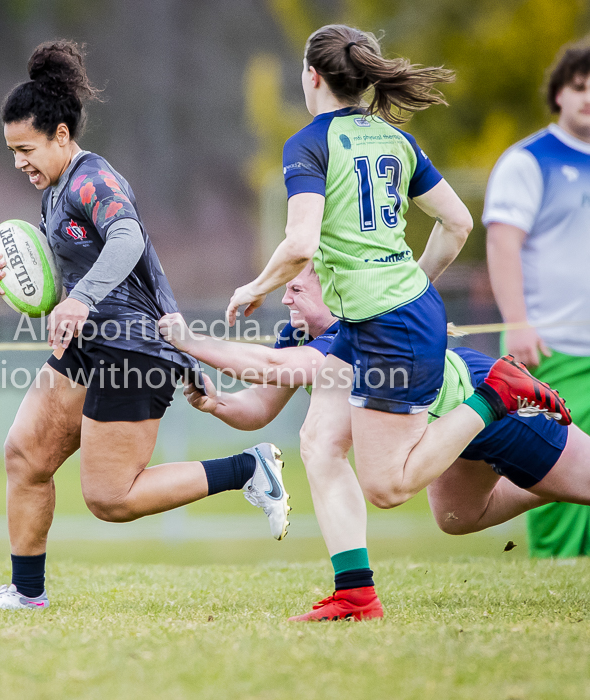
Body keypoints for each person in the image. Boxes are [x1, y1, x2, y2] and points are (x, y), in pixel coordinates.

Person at [224, 24, 570, 621]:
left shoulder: (309, 143)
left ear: (312, 76)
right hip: (385, 317)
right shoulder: (392, 139)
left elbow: (301, 241)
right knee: (319, 443)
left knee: (388, 487)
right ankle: (355, 593)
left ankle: (496, 395)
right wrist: (415, 283)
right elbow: (459, 222)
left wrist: (254, 287)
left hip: (388, 324)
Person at [0, 40, 287, 610]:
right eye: (11, 150)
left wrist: (80, 300)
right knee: (25, 456)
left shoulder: (92, 179)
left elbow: (128, 238)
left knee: (110, 498)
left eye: (26, 148)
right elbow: (62, 287)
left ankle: (248, 468)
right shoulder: (56, 191)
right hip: (90, 343)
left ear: (61, 134)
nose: (19, 162)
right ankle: (25, 593)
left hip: (133, 348)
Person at [162, 266, 590, 579]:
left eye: (295, 289)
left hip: (499, 405)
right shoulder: (301, 334)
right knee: (457, 517)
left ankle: (556, 474)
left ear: (332, 288)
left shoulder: (351, 331)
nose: (286, 299)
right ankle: (550, 485)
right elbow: (261, 406)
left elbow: (274, 366)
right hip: (451, 434)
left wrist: (190, 341)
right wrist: (218, 404)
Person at [484, 40, 590, 559]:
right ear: (558, 94)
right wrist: (518, 322)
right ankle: (559, 567)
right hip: (549, 349)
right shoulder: (528, 161)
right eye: (578, 86)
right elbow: (503, 243)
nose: (588, 96)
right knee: (557, 468)